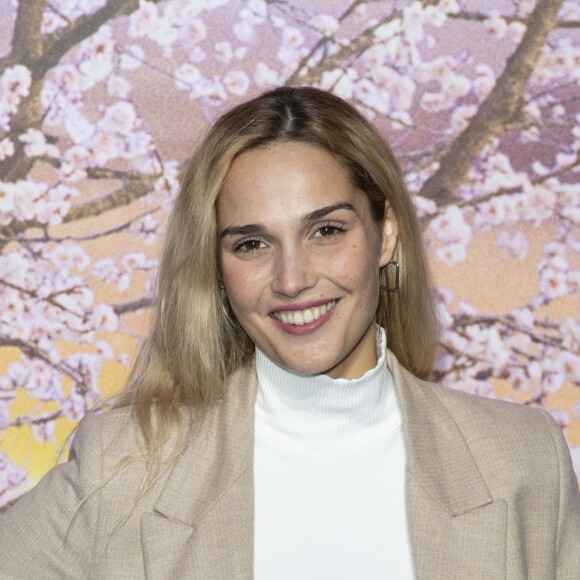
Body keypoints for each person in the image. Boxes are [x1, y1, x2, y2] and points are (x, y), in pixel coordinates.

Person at [0, 86, 578, 579]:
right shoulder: (121, 466)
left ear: (388, 234)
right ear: (217, 267)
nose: (293, 279)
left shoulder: (523, 459)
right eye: (252, 243)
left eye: (326, 230)